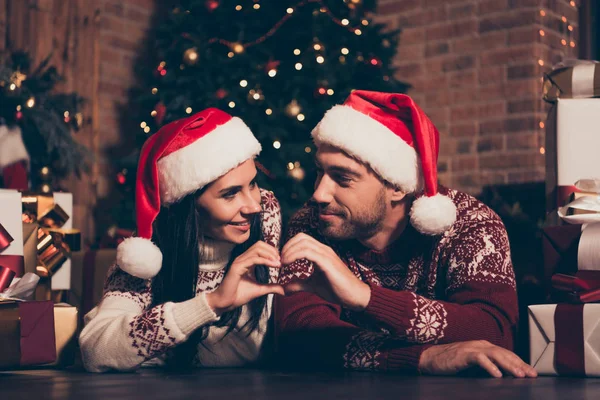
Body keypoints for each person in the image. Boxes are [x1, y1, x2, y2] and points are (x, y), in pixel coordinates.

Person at [275, 91, 537, 378]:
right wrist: (422, 358)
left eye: (343, 178)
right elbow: (299, 333)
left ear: (398, 187)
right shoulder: (313, 224)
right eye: (319, 172)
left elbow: (497, 332)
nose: (319, 194)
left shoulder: (471, 225)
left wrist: (365, 297)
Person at [80, 108, 284, 372]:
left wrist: (159, 352)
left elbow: (256, 346)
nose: (252, 205)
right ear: (189, 207)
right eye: (230, 194)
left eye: (253, 184)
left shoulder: (265, 215)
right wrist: (211, 303)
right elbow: (95, 349)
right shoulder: (145, 259)